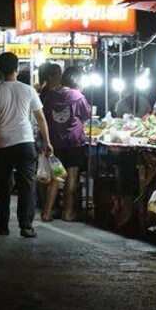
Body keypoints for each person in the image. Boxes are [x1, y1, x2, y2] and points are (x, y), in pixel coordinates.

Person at [0, 52, 53, 238]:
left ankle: (2, 224)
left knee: (3, 183)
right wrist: (47, 142)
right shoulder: (29, 90)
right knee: (27, 184)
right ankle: (26, 226)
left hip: (1, 143)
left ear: (0, 70)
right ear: (16, 68)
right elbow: (41, 119)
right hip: (25, 142)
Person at [40, 65, 91, 222]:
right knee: (72, 178)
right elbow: (87, 114)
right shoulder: (78, 96)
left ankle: (47, 212)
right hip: (74, 142)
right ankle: (67, 213)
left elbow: (45, 117)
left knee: (56, 178)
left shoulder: (50, 95)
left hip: (55, 141)